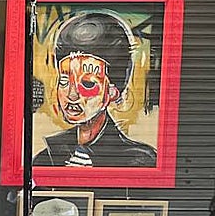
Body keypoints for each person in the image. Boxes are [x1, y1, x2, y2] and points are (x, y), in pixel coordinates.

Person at [33, 10, 156, 169]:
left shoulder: (138, 160)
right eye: (64, 81)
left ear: (112, 91)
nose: (72, 95)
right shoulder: (46, 159)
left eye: (88, 84)